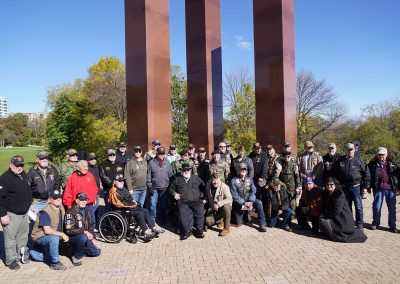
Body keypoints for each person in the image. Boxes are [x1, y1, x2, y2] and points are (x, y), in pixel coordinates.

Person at [0, 156, 32, 270]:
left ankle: (20, 256)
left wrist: (30, 203)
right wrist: (2, 214)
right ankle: (11, 260)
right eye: (17, 165)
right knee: (10, 238)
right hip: (11, 213)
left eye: (21, 165)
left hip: (24, 213)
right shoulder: (4, 178)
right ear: (11, 165)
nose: (19, 167)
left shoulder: (23, 175)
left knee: (23, 236)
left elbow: (27, 191)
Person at [108, 174, 164, 239]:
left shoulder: (123, 188)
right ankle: (145, 231)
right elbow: (119, 203)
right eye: (120, 181)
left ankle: (153, 227)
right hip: (122, 210)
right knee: (140, 213)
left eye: (123, 181)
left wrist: (132, 200)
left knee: (145, 210)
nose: (122, 182)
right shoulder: (113, 191)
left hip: (129, 207)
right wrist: (132, 204)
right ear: (115, 181)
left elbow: (129, 197)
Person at [319, 178, 368, 243]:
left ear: (335, 185)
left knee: (323, 219)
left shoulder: (339, 194)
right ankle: (330, 233)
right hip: (334, 216)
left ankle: (333, 235)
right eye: (327, 185)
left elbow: (337, 211)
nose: (329, 186)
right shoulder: (325, 194)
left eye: (331, 184)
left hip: (342, 218)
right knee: (321, 218)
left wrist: (324, 215)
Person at [334, 142, 370, 230]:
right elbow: (335, 174)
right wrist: (337, 185)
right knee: (347, 206)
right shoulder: (340, 160)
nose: (350, 151)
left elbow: (367, 174)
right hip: (344, 187)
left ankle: (359, 224)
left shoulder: (359, 160)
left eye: (352, 150)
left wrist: (365, 187)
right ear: (345, 151)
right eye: (348, 150)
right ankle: (349, 223)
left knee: (358, 206)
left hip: (356, 187)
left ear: (354, 150)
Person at [30, 190, 68, 270]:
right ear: (49, 200)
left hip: (53, 235)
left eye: (59, 197)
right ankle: (55, 263)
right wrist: (62, 234)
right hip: (41, 237)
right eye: (55, 198)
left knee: (51, 255)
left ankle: (33, 254)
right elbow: (47, 230)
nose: (58, 199)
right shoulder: (45, 211)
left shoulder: (61, 207)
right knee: (54, 238)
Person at [169, 163, 206, 240]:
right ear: (181, 171)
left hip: (196, 201)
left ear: (190, 170)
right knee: (184, 215)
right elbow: (171, 188)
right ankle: (187, 231)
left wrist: (204, 198)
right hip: (183, 202)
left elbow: (204, 187)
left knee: (200, 212)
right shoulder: (177, 179)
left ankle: (199, 230)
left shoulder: (196, 178)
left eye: (188, 170)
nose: (186, 171)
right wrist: (174, 193)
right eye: (184, 170)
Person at [367, 147, 399, 233]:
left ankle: (392, 226)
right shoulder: (372, 164)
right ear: (377, 155)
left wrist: (398, 187)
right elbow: (368, 176)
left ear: (386, 155)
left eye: (383, 154)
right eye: (379, 154)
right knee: (376, 206)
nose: (381, 156)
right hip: (378, 188)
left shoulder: (393, 163)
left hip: (390, 188)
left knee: (392, 208)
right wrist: (368, 187)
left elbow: (398, 176)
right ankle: (375, 223)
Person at [64, 192, 101, 266]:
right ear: (77, 200)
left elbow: (90, 227)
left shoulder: (87, 211)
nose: (84, 202)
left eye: (85, 200)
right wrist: (84, 232)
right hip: (72, 238)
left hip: (83, 238)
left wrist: (93, 238)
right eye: (81, 200)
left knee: (96, 252)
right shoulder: (70, 212)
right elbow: (69, 230)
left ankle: (75, 251)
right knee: (83, 237)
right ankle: (76, 256)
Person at [230, 163, 267, 232]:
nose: (243, 171)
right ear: (238, 170)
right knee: (239, 222)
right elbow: (234, 196)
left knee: (259, 202)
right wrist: (244, 203)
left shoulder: (249, 179)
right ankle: (246, 215)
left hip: (249, 200)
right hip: (239, 203)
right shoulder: (233, 181)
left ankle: (262, 224)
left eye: (244, 169)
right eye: (241, 169)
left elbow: (253, 191)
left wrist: (251, 201)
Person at [63, 160, 99, 230]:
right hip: (77, 205)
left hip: (89, 204)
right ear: (78, 168)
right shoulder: (72, 178)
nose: (86, 168)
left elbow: (94, 188)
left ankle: (91, 237)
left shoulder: (90, 175)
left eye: (87, 166)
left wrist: (94, 197)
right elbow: (68, 192)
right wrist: (69, 205)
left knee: (91, 223)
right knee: (79, 224)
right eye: (84, 166)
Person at [147, 147, 173, 224]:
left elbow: (170, 175)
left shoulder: (167, 162)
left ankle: (162, 218)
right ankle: (153, 220)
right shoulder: (151, 162)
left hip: (165, 187)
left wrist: (170, 185)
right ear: (157, 153)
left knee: (163, 205)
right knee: (152, 204)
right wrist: (149, 186)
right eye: (160, 153)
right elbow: (148, 176)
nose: (161, 155)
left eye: (163, 154)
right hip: (154, 187)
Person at [87, 152, 100, 230]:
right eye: (91, 159)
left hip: (97, 192)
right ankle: (92, 227)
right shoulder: (87, 168)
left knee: (97, 210)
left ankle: (97, 226)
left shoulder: (97, 167)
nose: (93, 160)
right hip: (90, 193)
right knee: (91, 211)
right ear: (88, 160)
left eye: (94, 158)